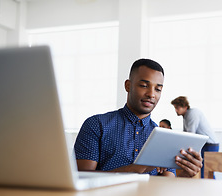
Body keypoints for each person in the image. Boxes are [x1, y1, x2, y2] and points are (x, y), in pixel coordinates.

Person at [74, 59, 203, 178]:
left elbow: (167, 188)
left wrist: (185, 174)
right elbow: (83, 179)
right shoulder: (96, 125)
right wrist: (136, 169)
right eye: (144, 85)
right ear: (128, 86)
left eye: (158, 89)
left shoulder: (163, 138)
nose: (151, 94)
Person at [171, 96, 219, 178]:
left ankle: (208, 190)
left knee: (206, 173)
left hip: (209, 145)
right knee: (203, 173)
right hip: (204, 144)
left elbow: (190, 135)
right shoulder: (186, 116)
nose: (175, 110)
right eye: (175, 108)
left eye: (177, 107)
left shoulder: (192, 114)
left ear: (185, 107)